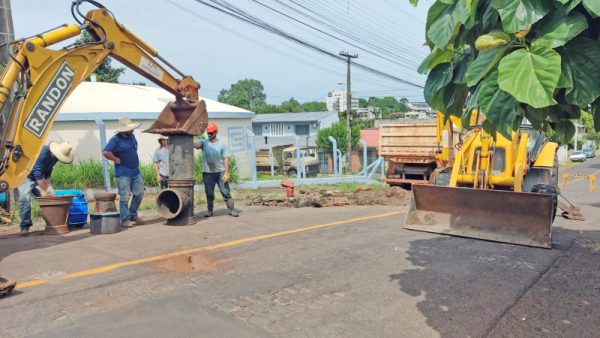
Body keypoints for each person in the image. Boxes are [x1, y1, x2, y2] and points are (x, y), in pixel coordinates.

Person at [18, 141, 74, 234]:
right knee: (24, 199)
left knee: (49, 200)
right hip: (26, 176)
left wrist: (49, 185)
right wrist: (46, 189)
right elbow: (38, 173)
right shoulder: (42, 153)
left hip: (39, 177)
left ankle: (52, 224)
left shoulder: (55, 157)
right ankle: (25, 226)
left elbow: (49, 170)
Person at [103, 117, 145, 228]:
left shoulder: (132, 137)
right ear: (123, 130)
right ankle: (125, 219)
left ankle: (133, 214)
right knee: (125, 196)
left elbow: (134, 148)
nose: (133, 130)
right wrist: (115, 159)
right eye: (130, 129)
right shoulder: (115, 140)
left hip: (135, 171)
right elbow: (106, 152)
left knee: (139, 193)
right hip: (123, 173)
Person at [194, 122, 238, 217]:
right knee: (209, 193)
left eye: (211, 133)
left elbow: (226, 158)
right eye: (208, 133)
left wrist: (226, 173)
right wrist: (191, 136)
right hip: (207, 173)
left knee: (225, 191)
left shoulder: (222, 145)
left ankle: (232, 210)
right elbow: (196, 145)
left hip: (220, 172)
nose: (209, 134)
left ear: (216, 132)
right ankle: (210, 211)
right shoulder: (204, 142)